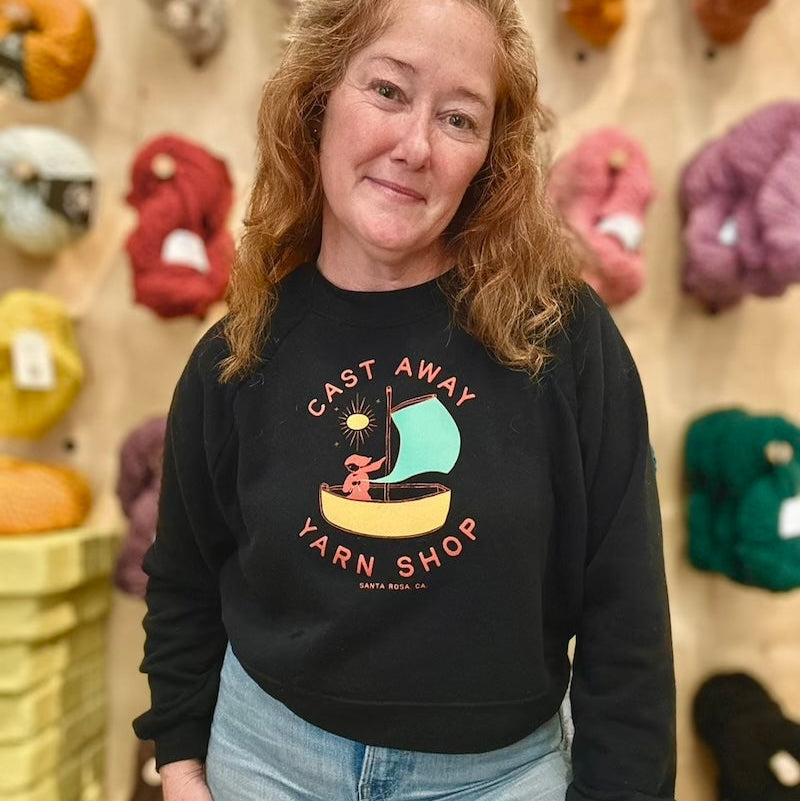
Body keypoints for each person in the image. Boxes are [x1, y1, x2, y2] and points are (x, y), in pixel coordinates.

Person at [133, 0, 677, 799]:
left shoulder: (562, 338)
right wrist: (180, 764)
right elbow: (182, 577)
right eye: (388, 91)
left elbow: (625, 612)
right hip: (265, 761)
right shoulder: (235, 354)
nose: (414, 147)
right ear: (318, 102)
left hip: (499, 776)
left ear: (489, 155)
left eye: (459, 118)